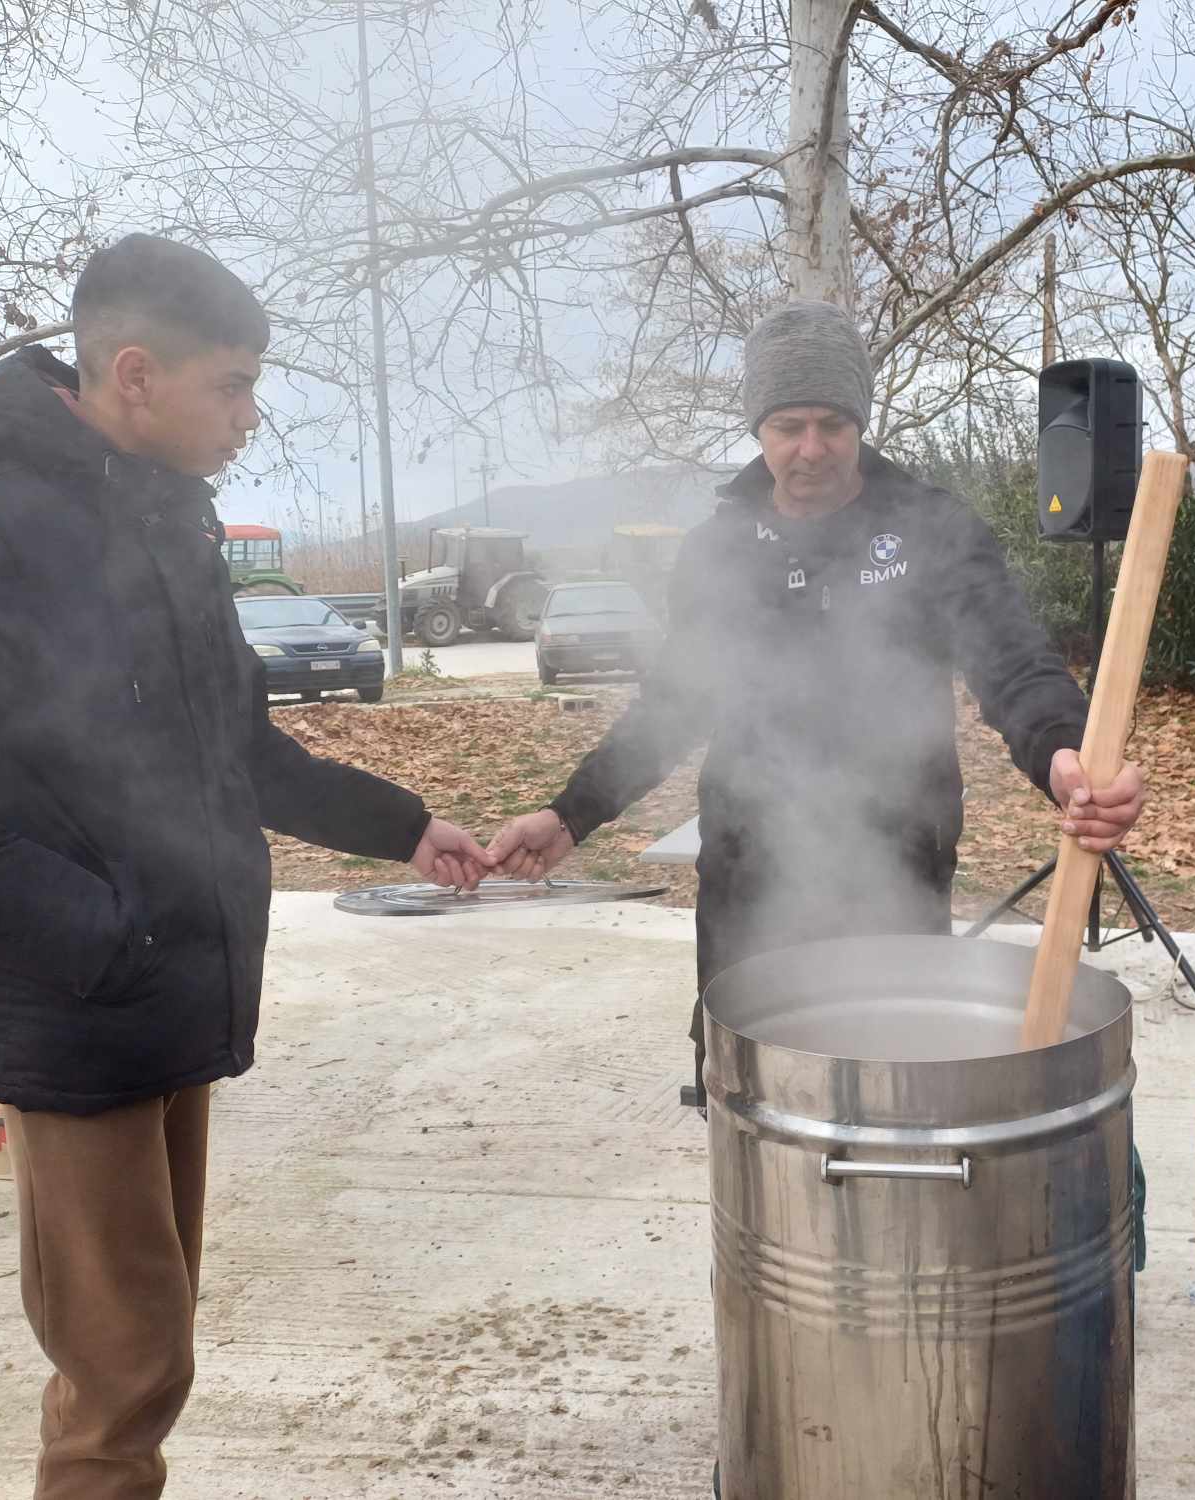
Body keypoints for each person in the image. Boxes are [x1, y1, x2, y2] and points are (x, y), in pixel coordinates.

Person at [0, 234, 492, 1500]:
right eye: (230, 386)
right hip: (75, 1005)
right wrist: (82, 927)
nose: (249, 415)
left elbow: (235, 747)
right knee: (125, 1370)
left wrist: (404, 825)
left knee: (137, 1346)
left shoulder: (169, 521)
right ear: (133, 374)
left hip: (167, 987)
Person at [486, 301, 1145, 1095]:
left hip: (895, 861)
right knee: (752, 1101)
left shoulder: (931, 528)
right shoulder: (716, 551)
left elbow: (1011, 660)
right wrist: (569, 814)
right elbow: (671, 706)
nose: (810, 449)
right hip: (747, 870)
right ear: (757, 429)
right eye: (788, 425)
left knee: (891, 1088)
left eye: (832, 423)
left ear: (860, 422)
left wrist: (1063, 750)